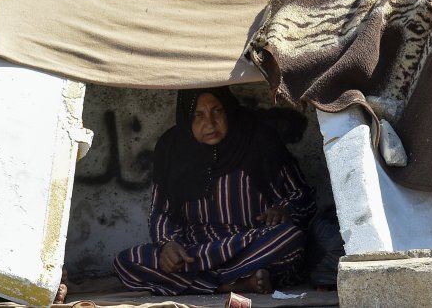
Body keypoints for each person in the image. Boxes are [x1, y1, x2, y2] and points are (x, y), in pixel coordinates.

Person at [114, 87, 316, 296]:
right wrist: (167, 244)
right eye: (198, 116)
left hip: (249, 244)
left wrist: (284, 209)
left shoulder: (259, 139)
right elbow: (160, 210)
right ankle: (233, 284)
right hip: (195, 249)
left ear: (228, 109)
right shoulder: (172, 148)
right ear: (186, 118)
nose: (209, 123)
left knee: (289, 237)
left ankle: (208, 282)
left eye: (217, 111)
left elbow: (302, 196)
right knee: (126, 261)